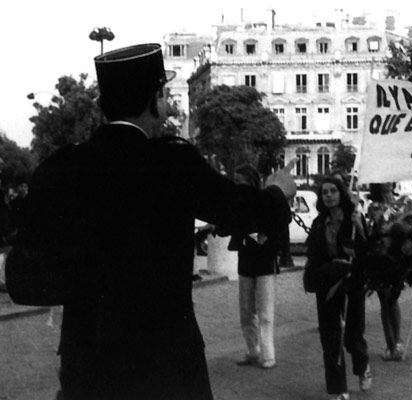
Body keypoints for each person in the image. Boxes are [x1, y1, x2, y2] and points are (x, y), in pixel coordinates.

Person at [5, 43, 295, 400]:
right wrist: (278, 193)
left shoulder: (62, 167)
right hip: (166, 366)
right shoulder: (171, 162)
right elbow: (240, 210)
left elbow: (22, 280)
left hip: (90, 368)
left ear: (103, 104)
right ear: (156, 99)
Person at [303, 176, 371, 400]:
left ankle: (362, 366)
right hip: (327, 284)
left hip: (352, 284)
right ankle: (337, 388)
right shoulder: (319, 223)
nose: (329, 195)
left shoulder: (354, 220)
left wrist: (360, 229)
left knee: (352, 336)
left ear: (341, 193)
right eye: (325, 192)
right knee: (330, 338)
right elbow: (313, 254)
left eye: (333, 191)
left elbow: (366, 251)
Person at [230, 164, 282, 369]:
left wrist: (263, 235)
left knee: (265, 311)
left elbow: (276, 224)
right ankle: (253, 349)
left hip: (264, 260)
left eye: (240, 182)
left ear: (251, 182)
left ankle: (268, 354)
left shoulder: (265, 201)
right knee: (245, 309)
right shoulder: (237, 203)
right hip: (246, 260)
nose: (237, 186)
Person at [365, 190, 404, 362]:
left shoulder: (394, 211)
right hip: (379, 265)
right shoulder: (374, 212)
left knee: (392, 302)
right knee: (386, 303)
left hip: (392, 264)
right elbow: (369, 237)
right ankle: (391, 344)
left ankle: (396, 342)